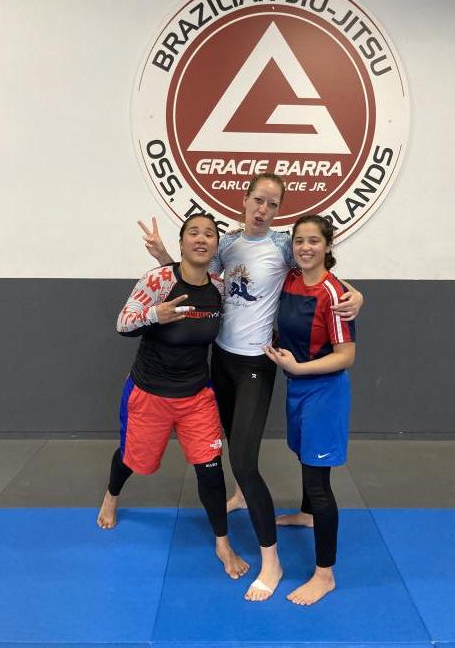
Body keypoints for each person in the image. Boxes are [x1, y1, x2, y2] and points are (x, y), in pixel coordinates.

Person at [140, 173, 362, 601]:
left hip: (256, 364)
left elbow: (321, 271)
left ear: (278, 210)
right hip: (221, 357)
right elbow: (196, 274)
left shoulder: (283, 246)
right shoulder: (226, 244)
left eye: (273, 204)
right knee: (230, 439)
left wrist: (358, 295)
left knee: (243, 460)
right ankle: (242, 496)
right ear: (244, 200)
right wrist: (165, 255)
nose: (264, 209)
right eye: (258, 200)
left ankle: (271, 561)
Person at [97, 213, 249, 581]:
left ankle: (222, 543)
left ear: (215, 246)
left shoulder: (219, 286)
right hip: (150, 392)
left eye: (209, 234)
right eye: (193, 232)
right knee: (133, 459)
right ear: (181, 243)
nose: (201, 238)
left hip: (196, 395)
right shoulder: (158, 280)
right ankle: (111, 495)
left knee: (210, 469)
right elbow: (123, 322)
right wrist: (154, 314)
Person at [264, 214, 355, 605]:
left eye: (314, 241)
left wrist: (300, 368)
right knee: (303, 455)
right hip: (297, 385)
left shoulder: (334, 294)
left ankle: (324, 574)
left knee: (319, 482)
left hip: (323, 391)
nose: (305, 247)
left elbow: (346, 355)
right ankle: (306, 514)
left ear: (328, 245)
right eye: (299, 240)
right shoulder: (290, 278)